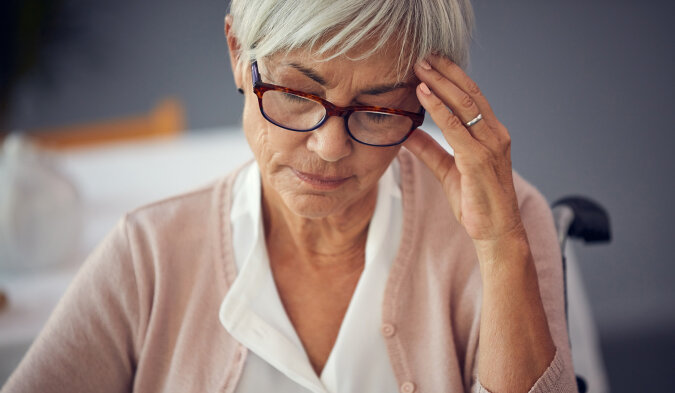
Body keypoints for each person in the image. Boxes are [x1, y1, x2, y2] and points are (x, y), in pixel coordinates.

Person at [2, 1, 578, 392]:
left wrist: (502, 247)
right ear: (237, 53)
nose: (329, 147)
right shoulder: (148, 253)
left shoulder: (505, 220)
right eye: (297, 92)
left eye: (378, 110)